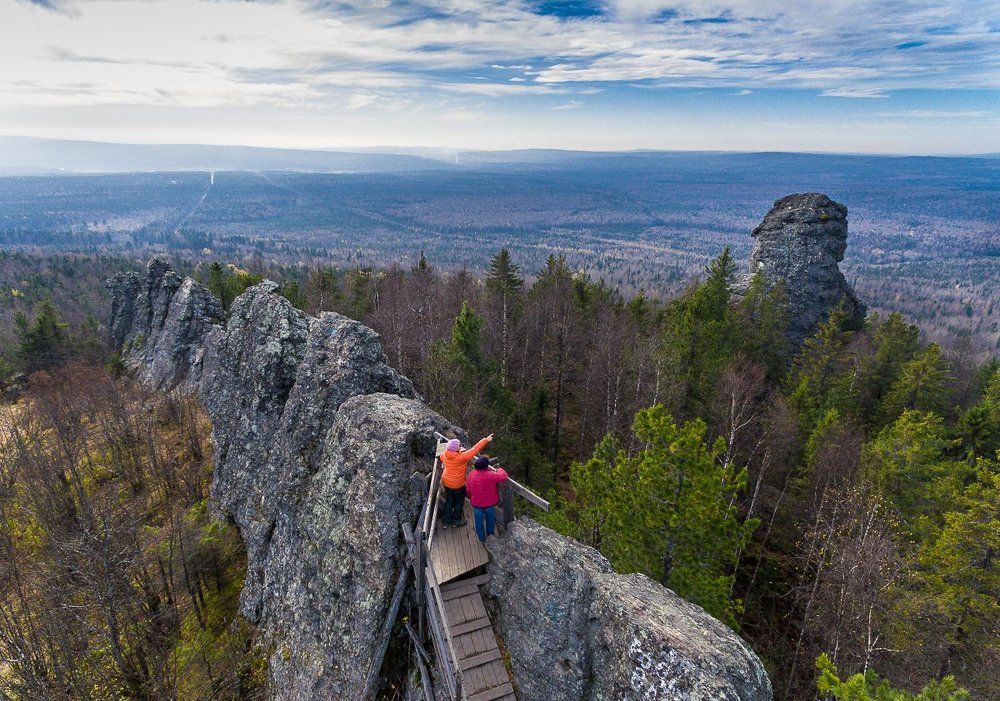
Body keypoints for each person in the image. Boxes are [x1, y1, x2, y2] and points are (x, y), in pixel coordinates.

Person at [440, 434, 492, 528]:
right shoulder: (462, 457)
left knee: (449, 501)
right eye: (459, 445)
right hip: (458, 484)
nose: (460, 446)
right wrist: (486, 440)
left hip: (446, 482)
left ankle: (445, 522)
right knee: (459, 502)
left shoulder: (444, 454)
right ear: (457, 449)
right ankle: (456, 522)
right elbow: (475, 449)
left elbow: (442, 458)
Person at [466, 456, 509, 542]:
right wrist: (499, 469)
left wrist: (470, 497)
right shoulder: (491, 475)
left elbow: (468, 489)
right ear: (486, 466)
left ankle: (482, 539)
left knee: (478, 522)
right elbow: (504, 476)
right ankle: (490, 535)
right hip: (489, 503)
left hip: (477, 503)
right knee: (491, 519)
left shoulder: (471, 475)